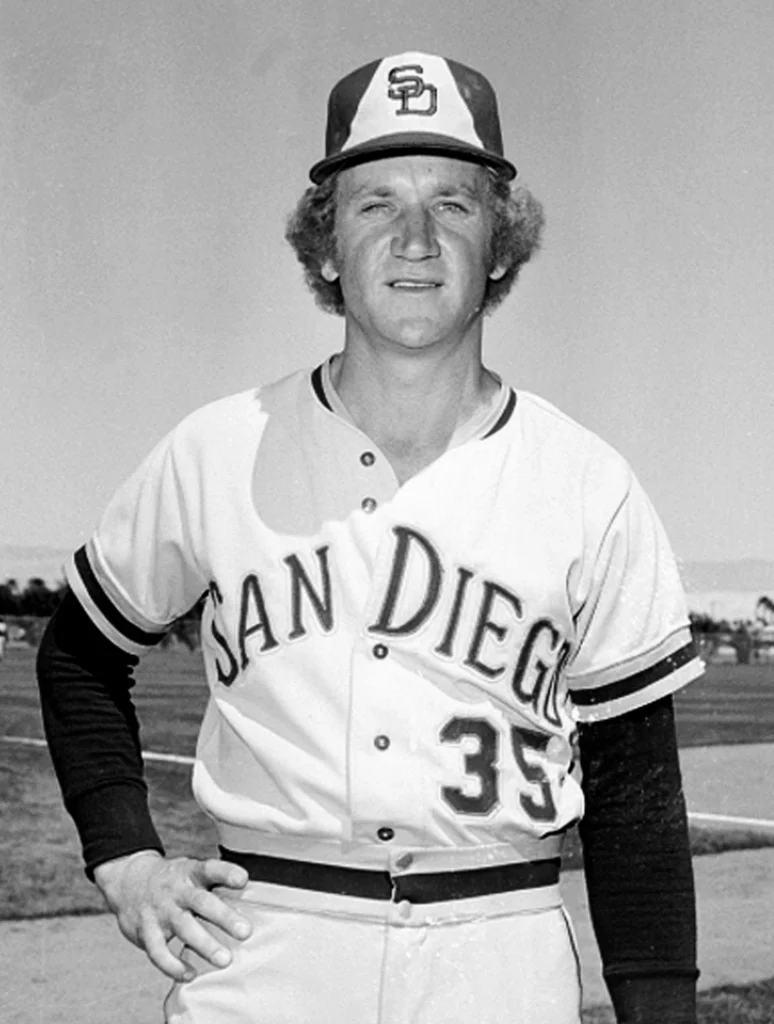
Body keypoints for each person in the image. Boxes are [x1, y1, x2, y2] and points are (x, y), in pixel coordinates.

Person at [37, 51, 704, 1024]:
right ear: (324, 245)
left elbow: (637, 800)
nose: (416, 238)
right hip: (267, 948)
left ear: (502, 242)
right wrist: (124, 854)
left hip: (499, 953)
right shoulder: (218, 451)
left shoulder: (588, 485)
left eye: (454, 203)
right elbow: (80, 654)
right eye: (375, 203)